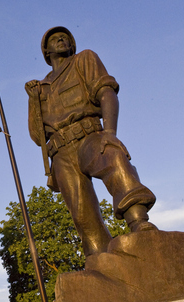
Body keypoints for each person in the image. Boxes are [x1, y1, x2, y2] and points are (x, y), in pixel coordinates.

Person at [25, 26, 157, 256]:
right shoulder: (39, 89)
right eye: (55, 39)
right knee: (82, 216)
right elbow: (38, 137)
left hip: (90, 135)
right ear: (46, 51)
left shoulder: (84, 59)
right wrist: (34, 100)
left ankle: (139, 222)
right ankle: (101, 261)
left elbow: (106, 93)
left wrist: (110, 133)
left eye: (65, 37)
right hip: (61, 153)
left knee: (112, 157)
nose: (62, 40)